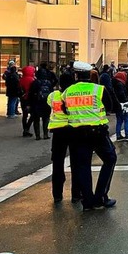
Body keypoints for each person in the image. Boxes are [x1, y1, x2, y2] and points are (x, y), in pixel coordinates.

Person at [64, 61, 118, 211]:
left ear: (76, 75)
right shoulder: (98, 89)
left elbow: (64, 109)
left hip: (77, 134)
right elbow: (110, 106)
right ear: (90, 74)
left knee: (82, 166)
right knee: (110, 159)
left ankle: (87, 201)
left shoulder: (67, 91)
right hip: (97, 132)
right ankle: (101, 197)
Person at [48, 72, 80, 203]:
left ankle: (57, 194)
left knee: (57, 163)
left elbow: (50, 104)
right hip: (73, 130)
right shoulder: (73, 96)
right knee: (76, 162)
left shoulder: (53, 96)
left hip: (57, 131)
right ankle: (76, 194)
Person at [27, 72, 53, 140]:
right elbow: (51, 93)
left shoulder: (35, 83)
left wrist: (29, 104)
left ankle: (37, 136)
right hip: (46, 103)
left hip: (36, 103)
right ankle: (45, 134)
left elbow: (30, 94)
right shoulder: (49, 83)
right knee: (46, 119)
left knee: (36, 120)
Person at [113, 71, 128, 141]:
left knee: (119, 120)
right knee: (126, 119)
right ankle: (127, 134)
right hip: (123, 104)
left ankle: (118, 135)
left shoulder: (114, 83)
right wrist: (127, 101)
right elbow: (123, 95)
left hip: (117, 104)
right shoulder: (120, 84)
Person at [19, 66, 36, 134]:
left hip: (23, 99)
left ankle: (25, 129)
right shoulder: (32, 80)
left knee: (25, 115)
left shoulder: (21, 79)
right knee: (33, 114)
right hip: (30, 99)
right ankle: (27, 128)